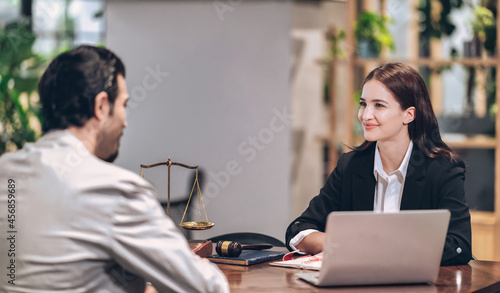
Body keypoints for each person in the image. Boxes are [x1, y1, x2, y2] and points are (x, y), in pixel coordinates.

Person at [0, 45, 229, 292]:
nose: (125, 121)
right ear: (101, 106)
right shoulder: (113, 189)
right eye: (123, 105)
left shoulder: (6, 171)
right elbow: (207, 288)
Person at [285, 63, 472, 266]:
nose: (365, 115)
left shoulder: (443, 169)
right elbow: (298, 230)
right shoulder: (350, 167)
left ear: (409, 114)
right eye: (363, 103)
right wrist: (343, 245)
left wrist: (375, 251)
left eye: (379, 105)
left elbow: (458, 245)